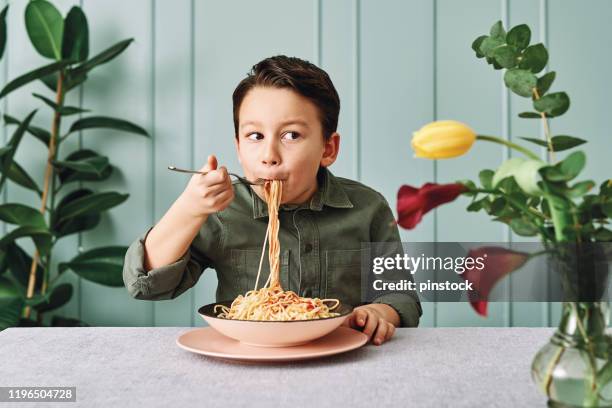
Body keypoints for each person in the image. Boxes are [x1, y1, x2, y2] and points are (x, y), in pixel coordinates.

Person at [123, 55, 422, 345]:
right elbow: (146, 285)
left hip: (343, 359)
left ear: (328, 149)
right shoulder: (221, 211)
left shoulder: (367, 208)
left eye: (291, 135)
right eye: (255, 136)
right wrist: (187, 209)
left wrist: (379, 312)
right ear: (238, 147)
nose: (269, 157)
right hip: (248, 363)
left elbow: (401, 294)